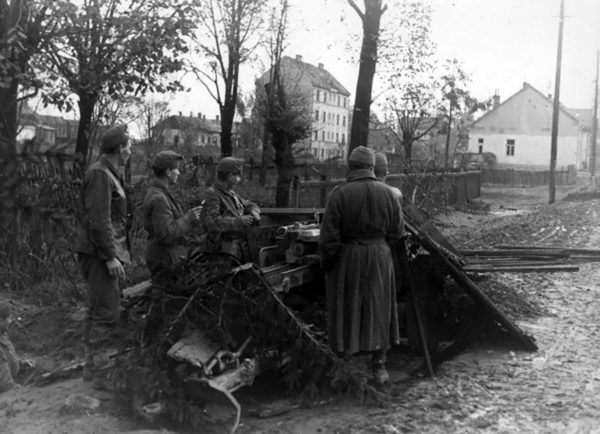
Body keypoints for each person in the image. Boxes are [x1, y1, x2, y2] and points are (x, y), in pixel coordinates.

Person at [319, 146, 402, 386]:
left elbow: (329, 238)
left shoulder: (340, 194)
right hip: (379, 257)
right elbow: (397, 232)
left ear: (351, 166)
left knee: (348, 306)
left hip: (349, 258)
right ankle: (379, 367)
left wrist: (328, 263)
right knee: (379, 307)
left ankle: (347, 364)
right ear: (372, 167)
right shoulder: (389, 194)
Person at [75, 124, 131, 382]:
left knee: (99, 308)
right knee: (106, 312)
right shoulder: (100, 174)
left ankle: (92, 368)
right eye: (129, 145)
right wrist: (109, 256)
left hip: (101, 252)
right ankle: (103, 374)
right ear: (120, 148)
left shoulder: (107, 172)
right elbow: (99, 220)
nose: (131, 149)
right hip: (99, 254)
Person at [142, 150, 203, 276]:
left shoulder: (160, 192)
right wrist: (188, 219)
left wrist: (191, 220)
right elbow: (166, 234)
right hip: (165, 259)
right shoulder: (159, 198)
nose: (179, 173)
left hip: (166, 256)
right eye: (176, 169)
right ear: (168, 172)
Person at [202, 157, 260, 261]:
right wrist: (238, 221)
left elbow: (248, 204)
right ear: (230, 176)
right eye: (238, 175)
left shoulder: (231, 193)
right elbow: (211, 222)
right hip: (221, 251)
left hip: (236, 248)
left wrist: (253, 210)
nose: (240, 179)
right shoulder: (212, 194)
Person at [0, 301, 18, 393]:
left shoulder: (3, 337)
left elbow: (6, 361)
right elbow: (4, 383)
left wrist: (19, 364)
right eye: (8, 318)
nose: (10, 321)